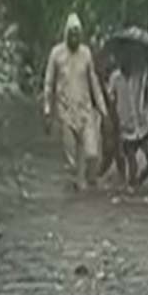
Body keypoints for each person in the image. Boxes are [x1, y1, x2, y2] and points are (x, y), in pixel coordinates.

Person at [43, 13, 107, 190]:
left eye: (77, 34)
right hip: (65, 113)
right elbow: (48, 84)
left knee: (92, 155)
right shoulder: (56, 54)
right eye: (71, 34)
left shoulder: (86, 53)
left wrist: (103, 110)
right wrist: (47, 111)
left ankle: (88, 189)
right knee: (72, 162)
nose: (74, 38)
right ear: (66, 34)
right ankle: (77, 192)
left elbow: (94, 84)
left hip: (85, 111)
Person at [107, 48, 148, 190]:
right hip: (126, 128)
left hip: (142, 125)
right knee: (132, 167)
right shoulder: (115, 78)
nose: (124, 61)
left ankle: (138, 183)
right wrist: (112, 122)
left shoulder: (140, 73)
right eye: (121, 59)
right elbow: (110, 99)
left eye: (127, 58)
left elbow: (147, 79)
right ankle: (132, 189)